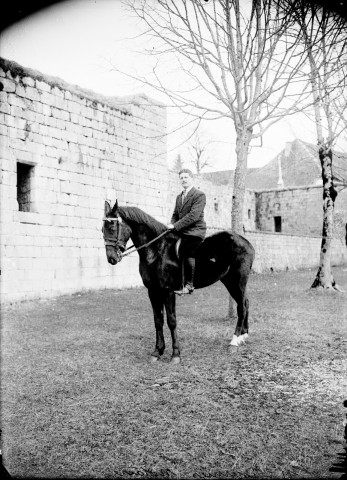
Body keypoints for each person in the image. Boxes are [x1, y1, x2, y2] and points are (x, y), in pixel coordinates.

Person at [167, 168, 207, 295]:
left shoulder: (199, 195)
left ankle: (189, 285)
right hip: (181, 231)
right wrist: (171, 225)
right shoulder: (179, 197)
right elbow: (175, 214)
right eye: (181, 178)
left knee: (187, 251)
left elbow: (193, 216)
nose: (183, 180)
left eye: (186, 177)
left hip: (195, 232)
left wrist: (176, 226)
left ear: (191, 179)